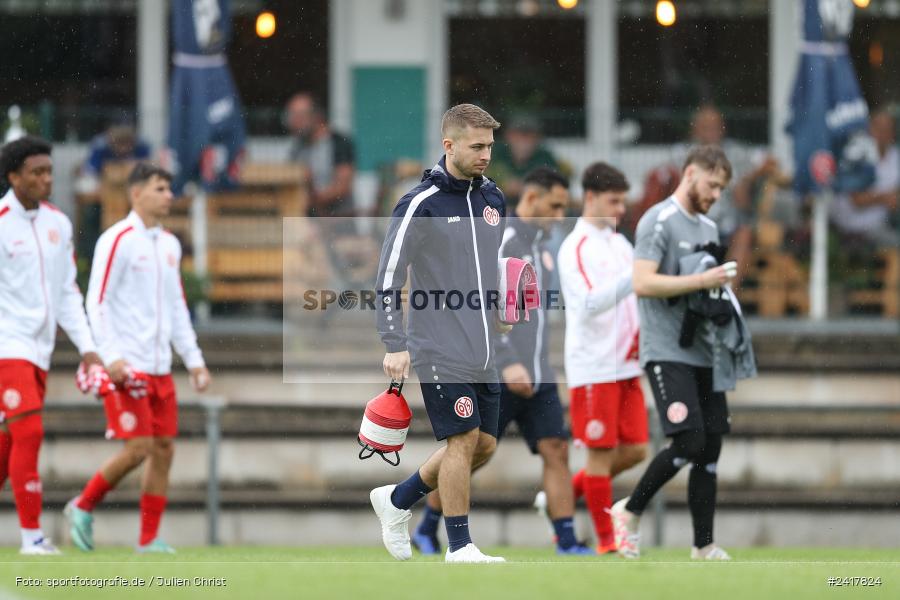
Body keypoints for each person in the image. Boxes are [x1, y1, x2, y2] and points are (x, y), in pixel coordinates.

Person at [410, 167, 594, 556]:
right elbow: (481, 307)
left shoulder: (543, 246)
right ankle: (427, 526)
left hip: (539, 373)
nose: (561, 215)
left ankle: (565, 540)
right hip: (497, 367)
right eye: (555, 205)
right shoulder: (503, 239)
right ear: (531, 198)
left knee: (556, 449)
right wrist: (509, 359)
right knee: (472, 451)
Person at [371, 104, 508, 564]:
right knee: (463, 439)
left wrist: (500, 309)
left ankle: (396, 500)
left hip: (483, 344)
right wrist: (394, 342)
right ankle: (460, 546)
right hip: (435, 344)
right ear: (449, 145)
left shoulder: (494, 200)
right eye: (477, 146)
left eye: (490, 145)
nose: (486, 154)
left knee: (483, 445)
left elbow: (488, 268)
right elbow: (390, 274)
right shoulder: (420, 203)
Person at [65, 163, 211, 554]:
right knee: (138, 448)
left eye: (169, 188)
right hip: (128, 366)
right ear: (137, 193)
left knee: (164, 449)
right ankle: (82, 504)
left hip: (161, 367)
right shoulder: (117, 239)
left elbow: (177, 306)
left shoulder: (169, 244)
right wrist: (110, 356)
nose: (169, 195)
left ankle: (148, 540)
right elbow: (96, 301)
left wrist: (193, 359)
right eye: (160, 188)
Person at [610, 145, 737, 561]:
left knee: (712, 445)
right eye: (712, 184)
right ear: (690, 174)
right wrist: (704, 281)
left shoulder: (709, 228)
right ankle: (628, 512)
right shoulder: (658, 220)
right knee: (689, 439)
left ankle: (704, 545)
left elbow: (703, 286)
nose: (716, 194)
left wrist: (720, 297)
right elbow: (643, 282)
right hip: (666, 350)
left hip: (705, 351)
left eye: (721, 188)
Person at [0, 136, 103, 555]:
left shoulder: (58, 224)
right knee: (31, 432)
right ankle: (32, 538)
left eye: (49, 171)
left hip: (40, 350)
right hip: (8, 347)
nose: (46, 179)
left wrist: (88, 347)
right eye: (37, 172)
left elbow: (66, 293)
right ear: (14, 177)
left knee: (8, 443)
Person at [557, 162, 649, 554]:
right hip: (595, 365)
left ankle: (562, 495)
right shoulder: (574, 247)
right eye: (613, 200)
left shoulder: (620, 244)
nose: (620, 209)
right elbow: (588, 303)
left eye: (623, 201)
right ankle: (607, 543)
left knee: (637, 450)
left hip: (628, 364)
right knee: (599, 455)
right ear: (590, 198)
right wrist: (638, 277)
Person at [671, 105, 779, 289]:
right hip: (693, 221)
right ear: (694, 129)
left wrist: (748, 181)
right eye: (705, 126)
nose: (711, 131)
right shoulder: (682, 153)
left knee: (744, 234)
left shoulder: (735, 152)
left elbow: (769, 161)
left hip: (728, 223)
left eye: (715, 126)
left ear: (723, 128)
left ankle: (727, 297)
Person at [831, 109, 899, 248]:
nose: (881, 133)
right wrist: (885, 198)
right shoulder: (856, 153)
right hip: (853, 227)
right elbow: (857, 200)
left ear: (892, 134)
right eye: (877, 128)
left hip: (883, 223)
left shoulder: (895, 156)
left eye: (886, 129)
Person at [285, 92, 355, 217]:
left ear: (316, 116)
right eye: (291, 115)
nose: (294, 121)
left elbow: (343, 187)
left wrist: (312, 198)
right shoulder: (298, 147)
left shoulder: (338, 143)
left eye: (299, 115)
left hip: (338, 219)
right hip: (307, 219)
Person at [489, 114, 562, 206]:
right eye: (518, 135)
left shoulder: (545, 157)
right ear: (508, 135)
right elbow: (483, 178)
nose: (523, 140)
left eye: (529, 136)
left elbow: (556, 187)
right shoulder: (496, 153)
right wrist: (503, 184)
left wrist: (524, 188)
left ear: (537, 138)